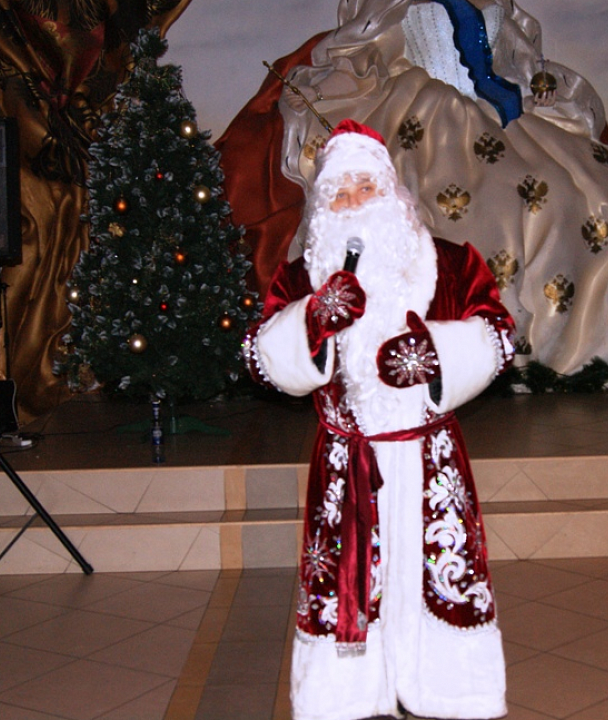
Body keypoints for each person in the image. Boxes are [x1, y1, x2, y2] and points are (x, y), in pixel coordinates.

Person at [217, 0, 608, 374]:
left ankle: (572, 346)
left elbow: (516, 64)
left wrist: (539, 85)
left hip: (507, 118)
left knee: (571, 191)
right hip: (428, 116)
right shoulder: (394, 5)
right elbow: (361, 53)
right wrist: (329, 83)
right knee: (468, 203)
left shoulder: (501, 7)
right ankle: (463, 348)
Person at [243, 119, 513, 720]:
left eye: (364, 187)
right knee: (347, 582)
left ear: (391, 192)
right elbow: (258, 358)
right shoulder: (300, 277)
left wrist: (435, 356)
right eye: (338, 193)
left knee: (437, 576)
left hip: (429, 459)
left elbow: (499, 335)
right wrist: (311, 322)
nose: (352, 203)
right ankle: (346, 695)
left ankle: (449, 688)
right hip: (347, 463)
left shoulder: (450, 262)